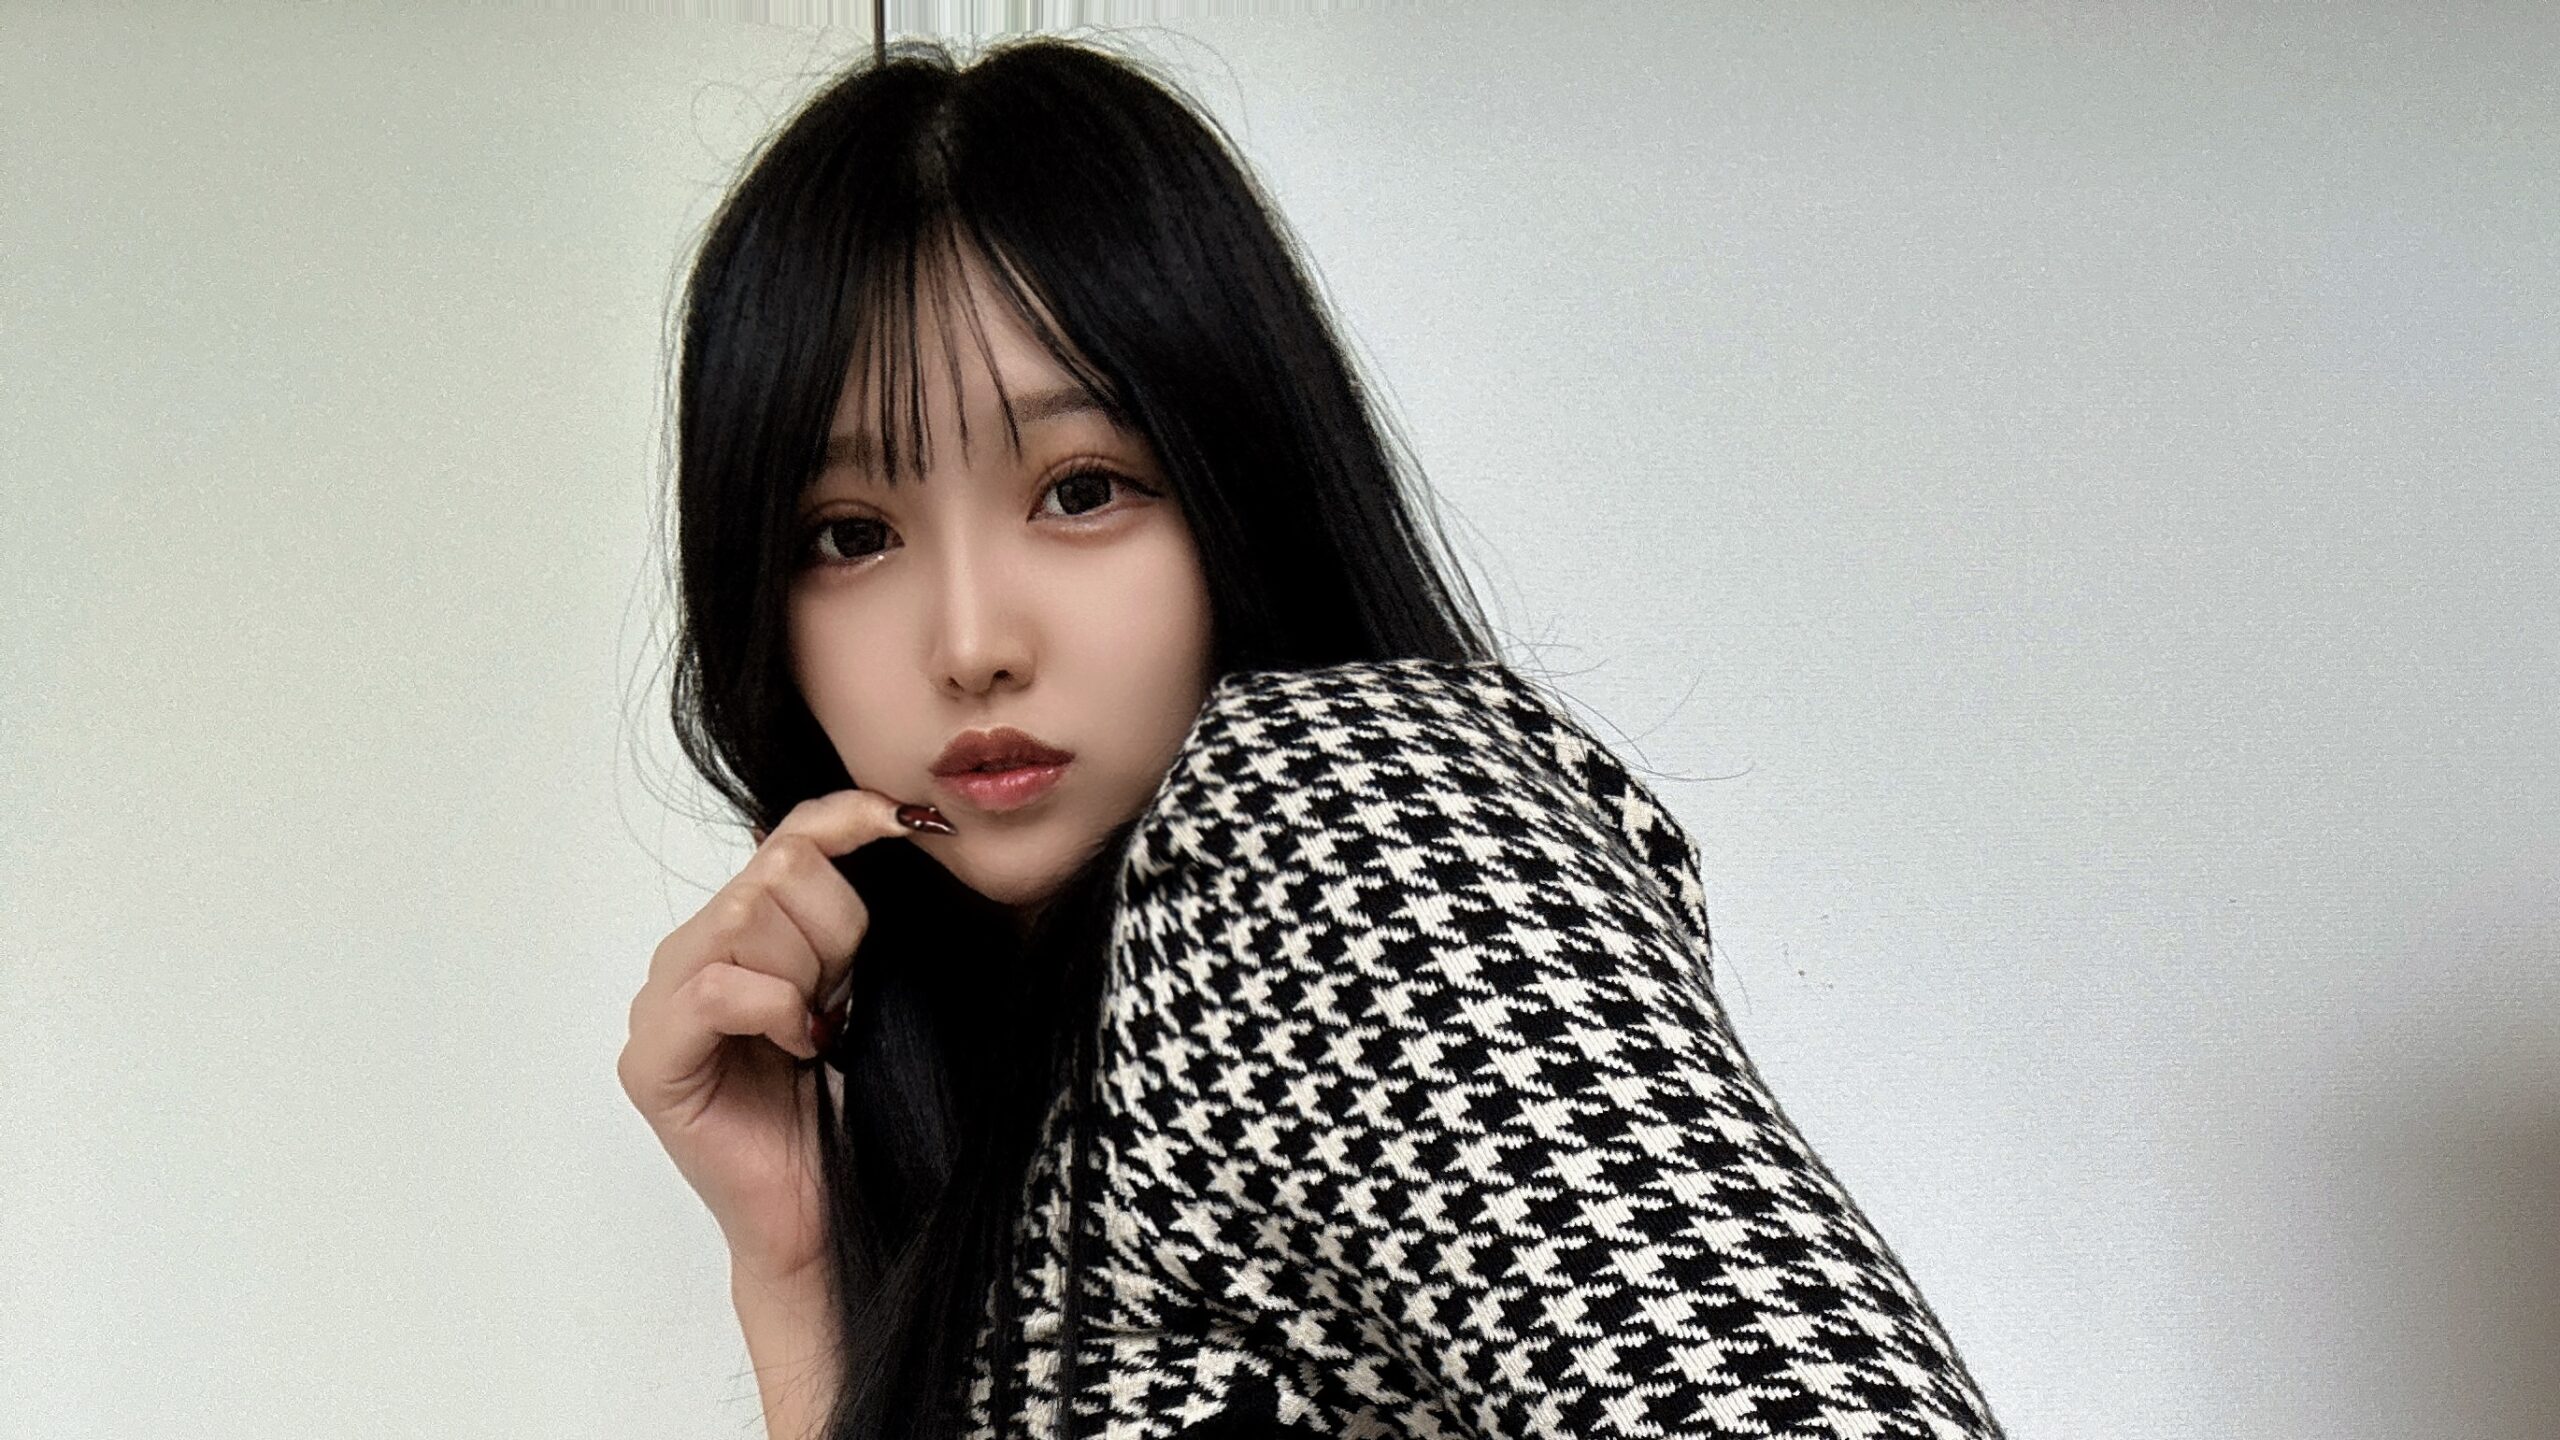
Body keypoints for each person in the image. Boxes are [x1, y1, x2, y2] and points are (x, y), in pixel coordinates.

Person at [618, 33, 2005, 1440]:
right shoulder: (1027, 1046)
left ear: (1236, 483)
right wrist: (793, 1275)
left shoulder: (1328, 825)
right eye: (852, 535)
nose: (972, 643)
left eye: (1081, 490)